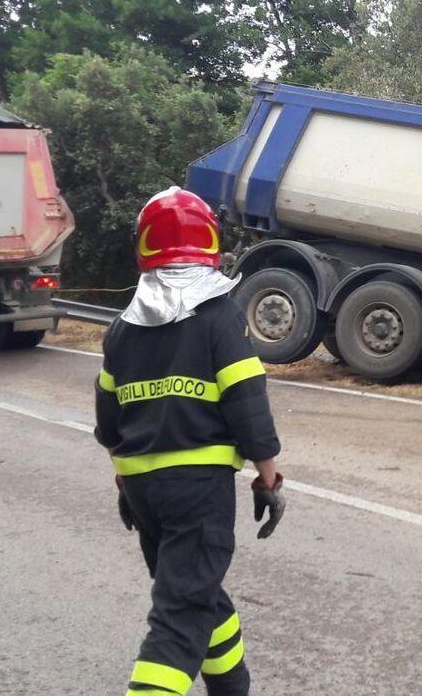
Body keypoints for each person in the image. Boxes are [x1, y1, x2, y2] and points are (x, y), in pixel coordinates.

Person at [94, 186, 286, 696]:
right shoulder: (219, 318)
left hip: (141, 489)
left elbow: (108, 421)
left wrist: (124, 479)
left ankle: (232, 687)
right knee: (180, 614)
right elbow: (248, 404)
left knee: (196, 592)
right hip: (198, 490)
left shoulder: (122, 330)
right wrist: (268, 479)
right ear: (211, 244)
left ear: (145, 246)